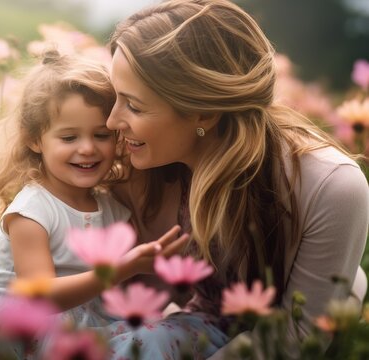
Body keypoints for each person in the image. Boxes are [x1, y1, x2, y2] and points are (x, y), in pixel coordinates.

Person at [103, 0, 369, 358]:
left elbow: (298, 334)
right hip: (197, 327)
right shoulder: (157, 158)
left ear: (204, 111)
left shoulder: (332, 186)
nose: (112, 121)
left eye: (133, 105)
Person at [0, 51, 187, 357]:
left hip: (80, 316)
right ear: (34, 140)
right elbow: (40, 297)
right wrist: (120, 270)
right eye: (69, 138)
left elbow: (115, 290)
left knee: (146, 335)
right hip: (21, 318)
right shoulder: (32, 211)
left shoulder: (113, 209)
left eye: (101, 135)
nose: (87, 149)